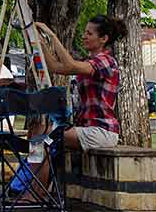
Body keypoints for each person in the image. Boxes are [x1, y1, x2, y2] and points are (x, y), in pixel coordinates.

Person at [35, 16, 123, 151]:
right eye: (85, 32)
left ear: (103, 39)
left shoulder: (106, 61)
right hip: (86, 128)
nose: (84, 36)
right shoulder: (89, 61)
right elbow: (54, 67)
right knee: (37, 131)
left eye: (89, 33)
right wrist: (40, 43)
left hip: (102, 131)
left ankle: (34, 172)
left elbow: (70, 65)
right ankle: (35, 171)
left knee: (42, 135)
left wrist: (52, 35)